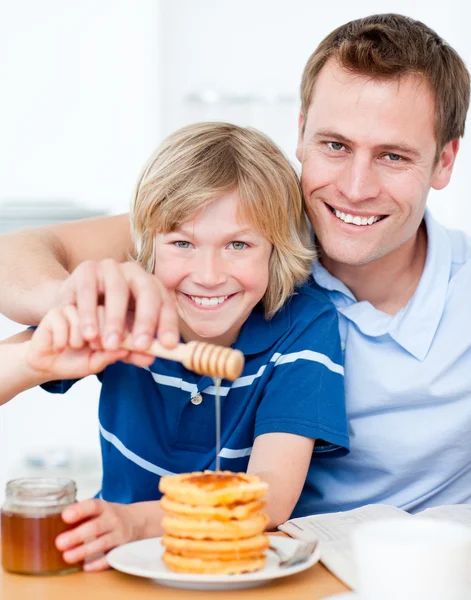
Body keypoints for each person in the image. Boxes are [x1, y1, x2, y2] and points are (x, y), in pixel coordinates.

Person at [1, 12, 470, 514]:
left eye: (393, 156)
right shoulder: (242, 223)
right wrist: (69, 311)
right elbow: (19, 254)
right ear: (302, 133)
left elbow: (267, 498)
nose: (356, 189)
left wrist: (137, 523)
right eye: (335, 145)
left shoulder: (296, 305)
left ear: (444, 161)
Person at [0, 122, 348, 571]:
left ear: (275, 249)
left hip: (234, 569)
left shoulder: (304, 327)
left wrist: (134, 522)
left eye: (238, 244)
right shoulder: (127, 308)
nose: (207, 274)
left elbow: (271, 495)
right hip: (112, 564)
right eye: (182, 243)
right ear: (149, 246)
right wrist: (34, 361)